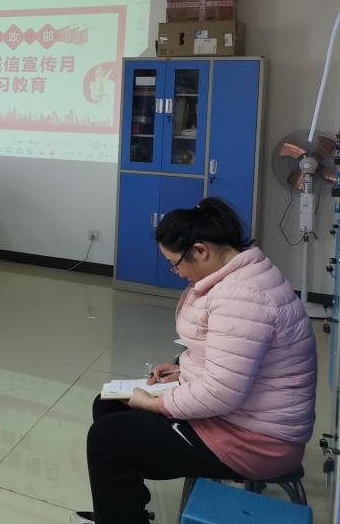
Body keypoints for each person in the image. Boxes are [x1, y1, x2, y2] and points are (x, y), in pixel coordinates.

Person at [76, 198, 317, 524]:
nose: (177, 273)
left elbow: (221, 392)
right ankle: (123, 511)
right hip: (241, 417)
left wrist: (156, 404)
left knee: (106, 440)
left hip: (254, 441)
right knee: (108, 405)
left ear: (201, 251)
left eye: (175, 264)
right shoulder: (240, 276)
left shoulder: (242, 296)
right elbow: (231, 356)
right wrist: (183, 369)